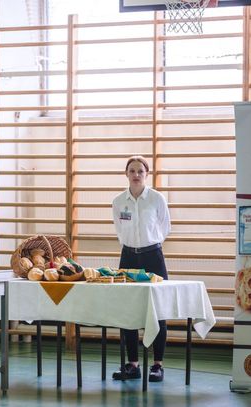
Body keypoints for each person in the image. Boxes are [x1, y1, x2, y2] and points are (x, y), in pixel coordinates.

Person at [111, 155, 171, 382]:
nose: (136, 175)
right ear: (126, 174)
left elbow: (165, 227)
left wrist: (149, 245)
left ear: (147, 174)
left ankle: (157, 365)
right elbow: (119, 228)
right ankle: (133, 365)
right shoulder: (118, 201)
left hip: (153, 257)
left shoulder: (156, 198)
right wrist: (133, 247)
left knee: (159, 311)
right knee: (128, 312)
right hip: (128, 257)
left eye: (140, 171)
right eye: (132, 171)